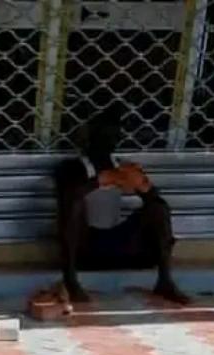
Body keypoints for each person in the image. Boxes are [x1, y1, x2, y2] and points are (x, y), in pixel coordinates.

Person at [54, 106, 189, 305]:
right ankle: (71, 280)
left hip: (118, 244)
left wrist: (143, 187)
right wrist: (103, 179)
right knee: (74, 204)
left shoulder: (122, 167)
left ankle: (165, 281)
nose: (108, 141)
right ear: (89, 137)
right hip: (85, 247)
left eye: (113, 136)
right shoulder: (72, 168)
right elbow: (69, 197)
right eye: (102, 135)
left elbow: (156, 202)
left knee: (158, 208)